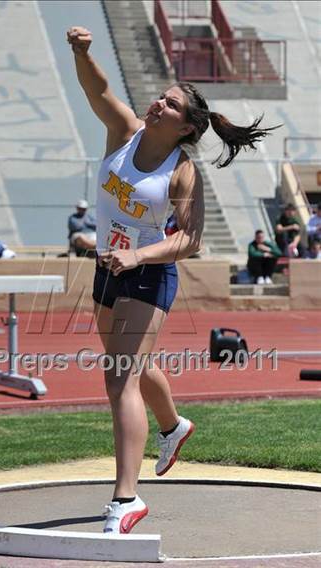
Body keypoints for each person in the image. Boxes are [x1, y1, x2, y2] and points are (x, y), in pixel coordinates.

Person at [68, 26, 279, 533]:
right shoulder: (124, 131)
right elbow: (98, 90)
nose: (156, 104)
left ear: (185, 128)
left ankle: (127, 500)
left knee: (119, 376)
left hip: (148, 275)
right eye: (159, 97)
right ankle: (174, 426)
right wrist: (82, 52)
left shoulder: (181, 172)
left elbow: (190, 240)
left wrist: (137, 255)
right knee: (134, 368)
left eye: (168, 104)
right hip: (109, 270)